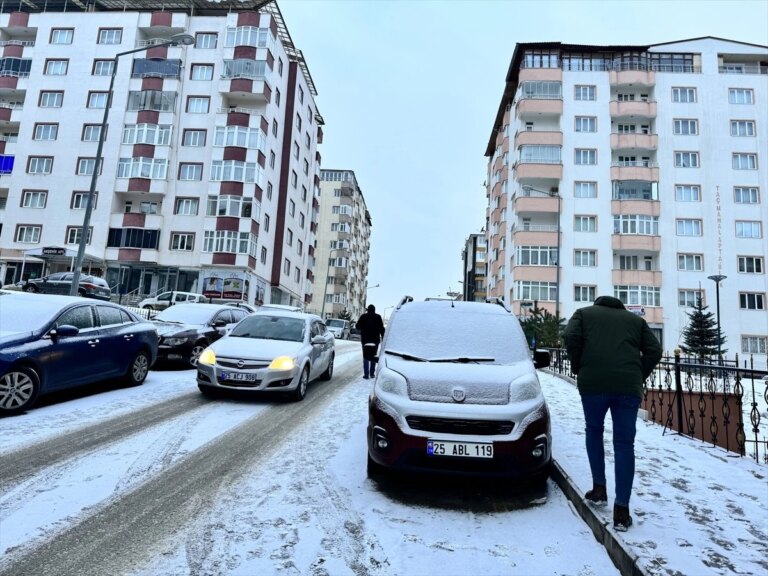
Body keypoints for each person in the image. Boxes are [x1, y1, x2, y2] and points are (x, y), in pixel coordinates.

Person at [563, 295, 662, 532]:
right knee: (624, 444)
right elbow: (654, 350)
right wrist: (638, 373)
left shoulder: (583, 314)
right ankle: (621, 510)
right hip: (628, 388)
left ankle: (599, 488)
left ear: (598, 303)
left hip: (593, 384)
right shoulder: (635, 321)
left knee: (594, 431)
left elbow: (570, 337)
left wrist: (578, 365)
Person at [356, 304, 385, 379]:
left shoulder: (363, 316)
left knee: (366, 357)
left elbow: (357, 326)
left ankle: (366, 374)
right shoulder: (378, 317)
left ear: (368, 310)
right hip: (375, 340)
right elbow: (382, 329)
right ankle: (372, 373)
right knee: (373, 356)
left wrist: (363, 327)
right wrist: (383, 337)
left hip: (365, 340)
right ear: (374, 310)